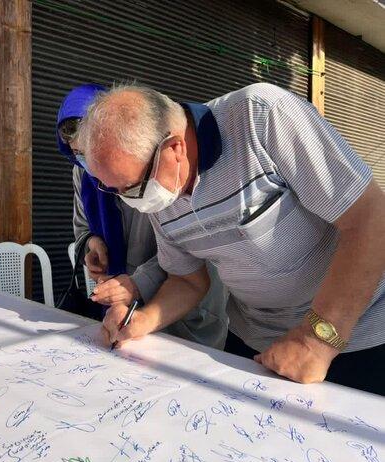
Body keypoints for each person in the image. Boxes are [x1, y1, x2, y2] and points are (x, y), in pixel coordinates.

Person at [75, 82, 385, 394]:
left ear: (174, 149)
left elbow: (370, 219)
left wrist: (316, 341)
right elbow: (187, 281)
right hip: (255, 341)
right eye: (111, 189)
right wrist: (142, 320)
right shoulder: (161, 196)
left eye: (129, 187)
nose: (127, 201)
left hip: (353, 335)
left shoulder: (260, 117)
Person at [56, 84, 228, 349]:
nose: (88, 165)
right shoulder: (88, 176)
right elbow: (81, 226)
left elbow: (189, 255)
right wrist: (92, 243)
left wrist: (139, 283)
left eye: (89, 150)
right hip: (130, 308)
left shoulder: (163, 179)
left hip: (186, 310)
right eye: (78, 154)